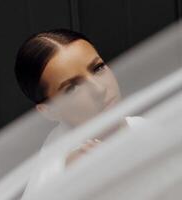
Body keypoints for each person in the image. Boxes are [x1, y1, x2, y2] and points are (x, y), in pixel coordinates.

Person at [14, 28, 144, 198]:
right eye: (72, 88)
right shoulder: (64, 176)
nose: (99, 89)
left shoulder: (143, 127)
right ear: (48, 111)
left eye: (98, 68)